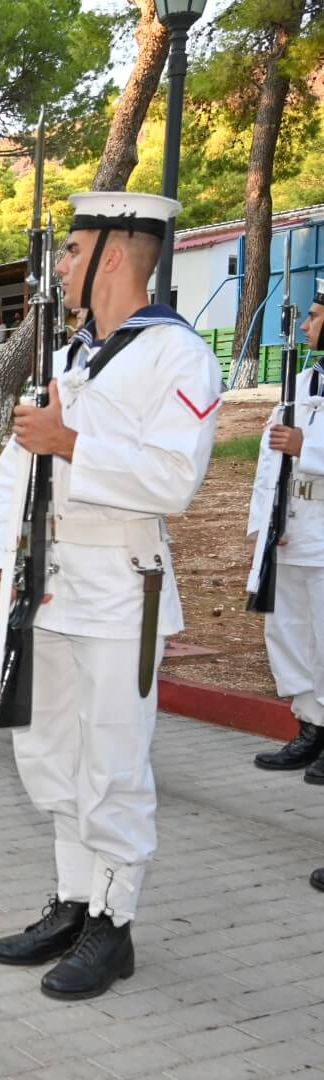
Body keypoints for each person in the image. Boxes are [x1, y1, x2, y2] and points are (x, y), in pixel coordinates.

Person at [0, 192, 220, 999]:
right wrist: (2, 568)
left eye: (74, 251)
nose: (65, 265)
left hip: (120, 583)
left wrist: (72, 441)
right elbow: (23, 467)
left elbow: (174, 479)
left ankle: (114, 924)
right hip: (51, 581)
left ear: (116, 253)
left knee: (112, 761)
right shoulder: (78, 354)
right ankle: (76, 901)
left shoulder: (177, 356)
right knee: (49, 752)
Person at [249, 280, 324, 779]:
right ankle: (312, 727)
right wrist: (263, 523)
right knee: (289, 632)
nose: (305, 325)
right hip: (292, 526)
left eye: (315, 315)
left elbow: (296, 446)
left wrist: (309, 448)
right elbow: (267, 459)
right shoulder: (301, 382)